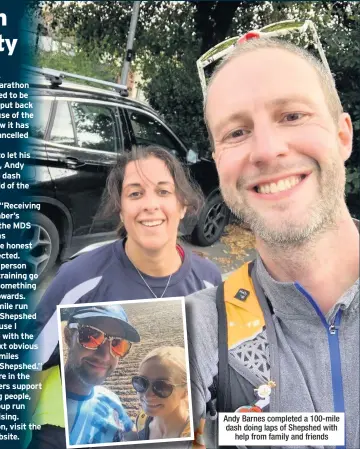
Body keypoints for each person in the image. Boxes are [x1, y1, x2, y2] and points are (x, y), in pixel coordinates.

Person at [186, 37, 359, 449]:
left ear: (342, 136)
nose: (265, 151)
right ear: (218, 160)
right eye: (237, 132)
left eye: (293, 115)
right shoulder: (193, 331)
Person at [28, 145, 222, 448]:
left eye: (163, 191)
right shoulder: (79, 279)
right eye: (135, 193)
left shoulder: (209, 280)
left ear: (183, 205)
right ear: (120, 209)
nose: (150, 205)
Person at [30, 304, 140, 447]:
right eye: (90, 336)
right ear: (68, 336)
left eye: (117, 344)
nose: (105, 356)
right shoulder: (37, 407)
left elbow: (132, 434)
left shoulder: (110, 398)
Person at [133, 346, 191, 440]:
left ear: (186, 391)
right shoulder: (141, 421)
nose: (147, 394)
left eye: (161, 387)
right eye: (142, 382)